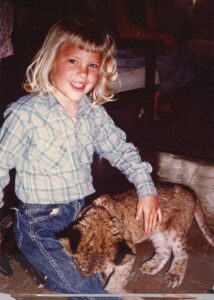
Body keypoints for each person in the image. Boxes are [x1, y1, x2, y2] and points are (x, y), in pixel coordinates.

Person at [0, 16, 161, 297]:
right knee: (87, 287)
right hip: (39, 223)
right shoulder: (25, 114)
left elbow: (121, 150)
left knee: (91, 270)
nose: (84, 73)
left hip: (79, 215)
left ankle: (29, 253)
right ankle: (23, 241)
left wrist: (146, 188)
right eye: (73, 61)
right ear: (51, 60)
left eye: (93, 65)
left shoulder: (93, 113)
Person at [105, 0, 193, 120]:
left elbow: (152, 24)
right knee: (166, 59)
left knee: (180, 53)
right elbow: (125, 31)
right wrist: (160, 37)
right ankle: (150, 106)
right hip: (114, 48)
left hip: (138, 45)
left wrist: (165, 38)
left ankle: (154, 102)